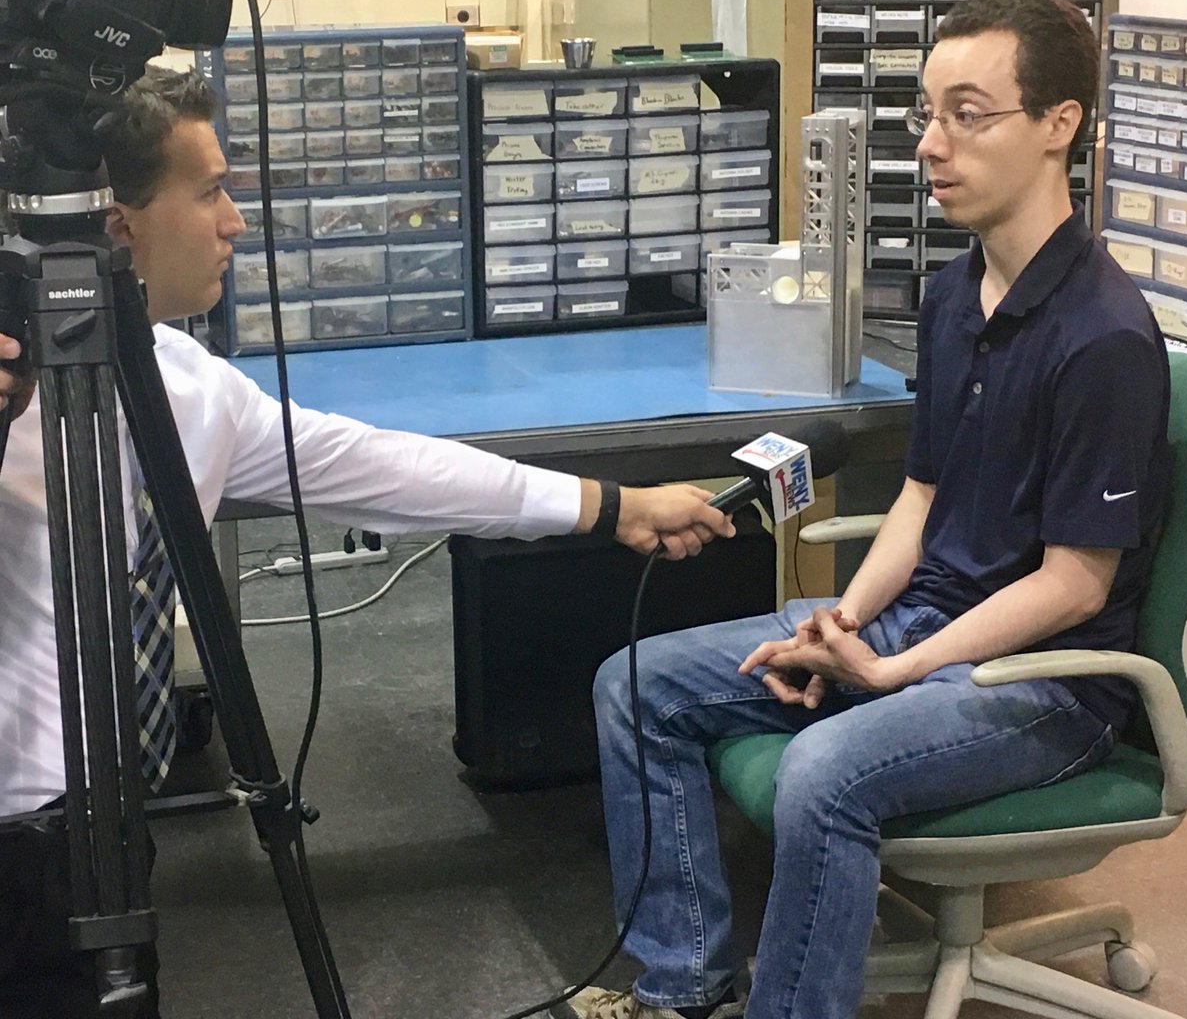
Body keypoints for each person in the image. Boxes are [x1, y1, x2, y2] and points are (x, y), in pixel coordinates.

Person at [0, 65, 735, 1018]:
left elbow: (387, 469)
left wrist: (609, 505)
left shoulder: (191, 387)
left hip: (98, 833)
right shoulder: (13, 389)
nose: (235, 223)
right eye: (211, 192)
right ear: (117, 227)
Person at [573, 0, 1171, 1019]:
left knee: (822, 773)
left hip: (1048, 685)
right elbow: (922, 496)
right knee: (636, 686)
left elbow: (1075, 586)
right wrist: (845, 623)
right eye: (926, 116)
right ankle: (683, 985)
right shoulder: (953, 296)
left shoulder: (1104, 337)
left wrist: (893, 670)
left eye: (968, 116)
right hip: (920, 623)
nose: (932, 145)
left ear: (1058, 126)